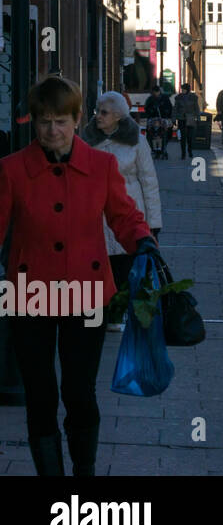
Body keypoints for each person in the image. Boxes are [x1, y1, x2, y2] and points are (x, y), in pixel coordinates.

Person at [0, 76, 157, 476]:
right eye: (44, 122)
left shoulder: (102, 166)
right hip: (29, 293)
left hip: (86, 293)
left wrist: (142, 239)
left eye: (61, 121)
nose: (53, 131)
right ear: (34, 123)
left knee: (79, 391)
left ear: (76, 119)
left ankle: (83, 472)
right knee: (40, 394)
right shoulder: (12, 170)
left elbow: (123, 214)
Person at [82, 91, 163, 328]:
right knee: (97, 264)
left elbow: (149, 181)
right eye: (97, 110)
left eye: (104, 112)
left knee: (125, 266)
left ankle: (117, 314)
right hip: (96, 212)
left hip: (129, 209)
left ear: (118, 116)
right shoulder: (86, 139)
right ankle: (99, 314)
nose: (98, 116)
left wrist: (154, 224)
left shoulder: (136, 140)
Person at [143, 85, 174, 159]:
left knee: (165, 134)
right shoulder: (150, 99)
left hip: (163, 119)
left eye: (156, 92)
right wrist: (151, 110)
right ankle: (155, 150)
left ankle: (163, 149)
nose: (155, 94)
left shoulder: (165, 98)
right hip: (153, 119)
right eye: (154, 92)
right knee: (152, 135)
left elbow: (169, 108)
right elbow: (147, 109)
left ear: (159, 92)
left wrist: (166, 113)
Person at [173, 82, 202, 159]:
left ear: (187, 90)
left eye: (183, 89)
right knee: (183, 137)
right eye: (182, 89)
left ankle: (190, 150)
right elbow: (175, 109)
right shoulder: (178, 98)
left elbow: (197, 108)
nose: (182, 90)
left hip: (190, 119)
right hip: (181, 119)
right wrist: (173, 119)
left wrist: (198, 118)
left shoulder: (193, 97)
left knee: (190, 137)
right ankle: (183, 153)